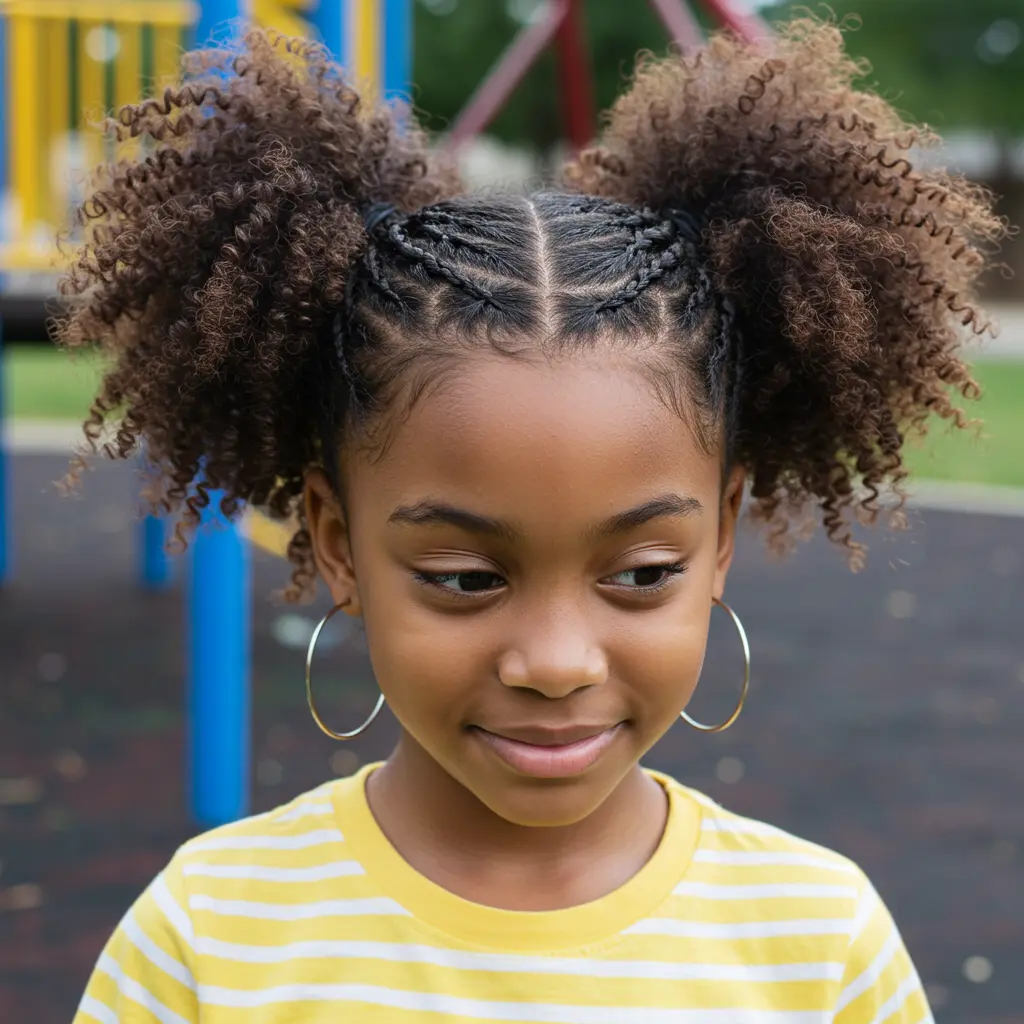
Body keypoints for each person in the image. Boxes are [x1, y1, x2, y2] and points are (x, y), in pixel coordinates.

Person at [61, 17, 1001, 1024]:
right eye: (466, 577)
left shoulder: (819, 948)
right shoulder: (207, 941)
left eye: (640, 572)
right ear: (338, 542)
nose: (555, 662)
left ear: (719, 536)